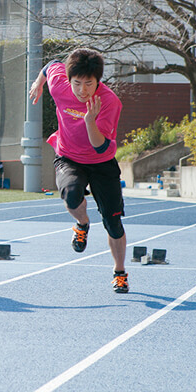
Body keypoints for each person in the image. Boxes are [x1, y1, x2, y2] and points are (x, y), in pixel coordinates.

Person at [29, 47, 129, 293]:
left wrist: (89, 121)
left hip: (101, 162)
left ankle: (119, 271)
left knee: (113, 222)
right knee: (72, 195)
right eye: (77, 83)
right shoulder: (60, 85)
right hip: (69, 157)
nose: (82, 91)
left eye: (89, 84)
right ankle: (82, 224)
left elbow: (99, 146)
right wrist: (38, 83)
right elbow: (50, 64)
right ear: (68, 79)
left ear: (98, 81)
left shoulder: (109, 102)